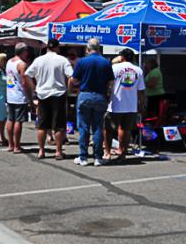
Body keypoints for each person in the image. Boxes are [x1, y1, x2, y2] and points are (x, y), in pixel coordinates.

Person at [25, 38, 72, 160]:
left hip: (42, 94)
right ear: (57, 47)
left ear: (47, 47)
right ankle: (58, 151)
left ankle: (41, 150)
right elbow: (71, 76)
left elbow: (27, 75)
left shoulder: (39, 60)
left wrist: (34, 88)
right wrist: (68, 90)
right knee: (59, 125)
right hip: (58, 94)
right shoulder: (62, 60)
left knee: (42, 125)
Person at [70, 38, 114, 166]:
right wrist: (107, 93)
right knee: (98, 127)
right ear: (99, 48)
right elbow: (111, 82)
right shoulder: (106, 62)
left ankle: (83, 157)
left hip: (85, 94)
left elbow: (74, 80)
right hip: (100, 95)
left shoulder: (82, 62)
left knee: (83, 127)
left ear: (88, 48)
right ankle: (98, 157)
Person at [104, 48, 145, 162]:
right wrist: (142, 104)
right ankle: (122, 153)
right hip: (131, 105)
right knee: (126, 129)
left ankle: (107, 152)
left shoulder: (114, 68)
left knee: (108, 129)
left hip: (115, 104)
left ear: (122, 57)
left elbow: (108, 85)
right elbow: (141, 90)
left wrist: (106, 98)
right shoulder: (138, 70)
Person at [5, 43, 33, 154]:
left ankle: (11, 144)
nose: (27, 53)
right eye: (26, 51)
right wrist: (30, 97)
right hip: (19, 96)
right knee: (18, 121)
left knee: (10, 119)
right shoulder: (22, 64)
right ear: (23, 51)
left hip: (10, 94)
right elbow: (24, 83)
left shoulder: (9, 62)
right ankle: (16, 146)